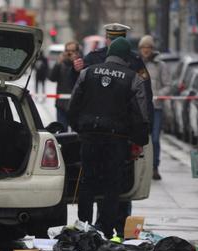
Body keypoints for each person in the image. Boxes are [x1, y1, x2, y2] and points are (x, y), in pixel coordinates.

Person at [73, 23, 153, 237]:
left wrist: (78, 128)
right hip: (117, 138)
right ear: (126, 56)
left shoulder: (88, 71)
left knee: (88, 181)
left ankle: (84, 227)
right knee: (112, 185)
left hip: (90, 136)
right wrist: (141, 137)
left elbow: (74, 103)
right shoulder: (132, 75)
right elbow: (142, 109)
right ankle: (108, 230)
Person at [138, 35, 170, 180]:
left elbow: (168, 85)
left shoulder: (160, 65)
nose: (146, 50)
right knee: (141, 138)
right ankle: (141, 167)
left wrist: (157, 95)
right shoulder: (136, 64)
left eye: (148, 47)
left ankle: (155, 166)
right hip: (140, 107)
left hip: (156, 107)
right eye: (143, 47)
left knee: (155, 139)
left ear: (152, 49)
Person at [48, 41, 81, 131]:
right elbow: (51, 78)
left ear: (78, 52)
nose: (70, 53)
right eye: (67, 50)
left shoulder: (81, 64)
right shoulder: (61, 64)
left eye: (73, 51)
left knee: (76, 133)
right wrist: (58, 63)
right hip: (61, 105)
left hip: (76, 106)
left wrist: (76, 64)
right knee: (62, 132)